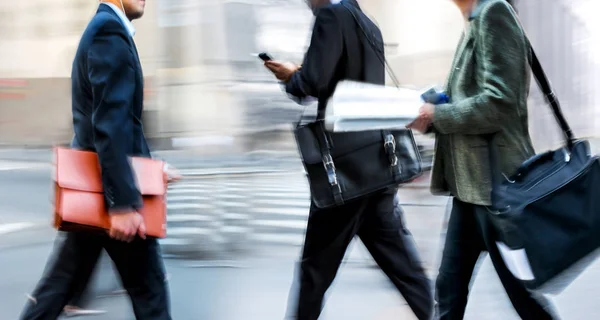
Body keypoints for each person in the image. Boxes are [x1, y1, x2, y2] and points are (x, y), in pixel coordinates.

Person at [265, 1, 433, 319]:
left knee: (314, 274)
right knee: (405, 269)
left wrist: (290, 77)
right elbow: (348, 83)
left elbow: (313, 82)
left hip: (343, 171)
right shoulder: (368, 23)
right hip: (378, 163)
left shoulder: (331, 15)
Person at [20, 1, 176, 319]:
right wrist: (121, 204)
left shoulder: (105, 29)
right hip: (111, 195)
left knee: (57, 290)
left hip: (96, 189)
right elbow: (110, 124)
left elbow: (118, 123)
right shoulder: (109, 32)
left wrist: (153, 171)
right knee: (151, 295)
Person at [407, 0, 558, 319]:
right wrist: (431, 114)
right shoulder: (474, 18)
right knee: (448, 292)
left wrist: (439, 115)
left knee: (525, 300)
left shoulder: (494, 12)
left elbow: (500, 102)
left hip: (497, 189)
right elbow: (467, 99)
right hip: (470, 191)